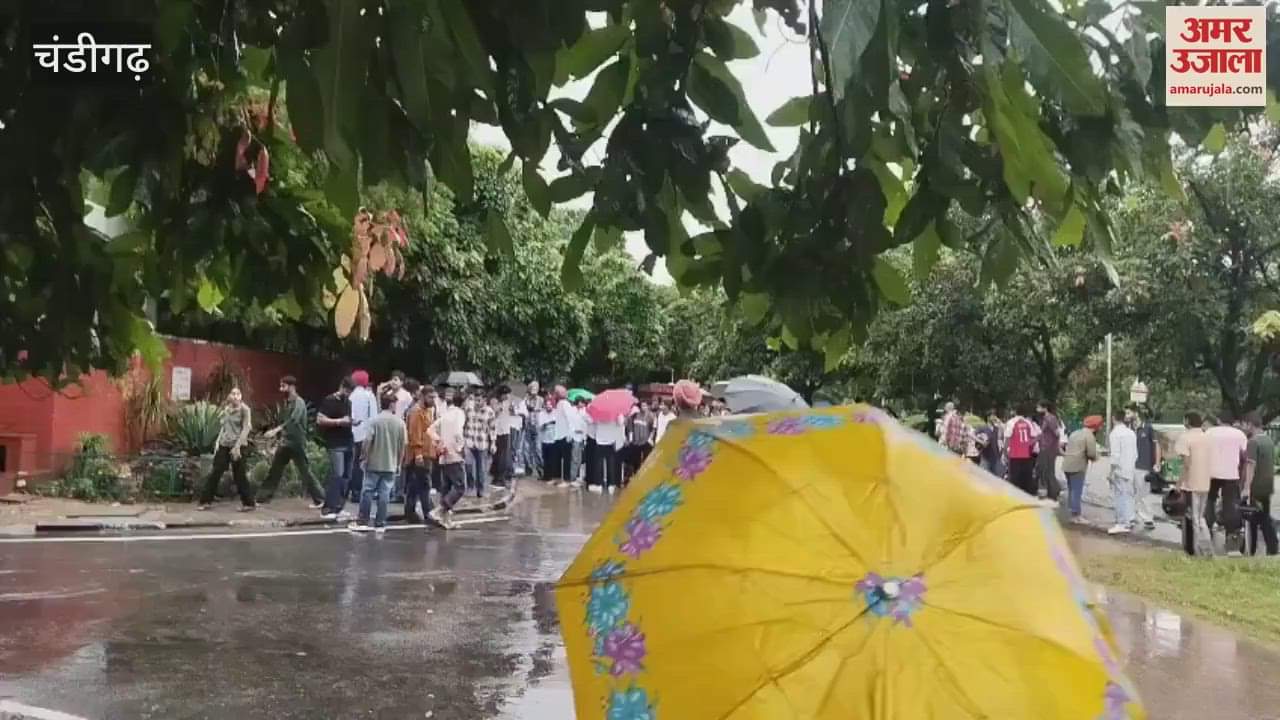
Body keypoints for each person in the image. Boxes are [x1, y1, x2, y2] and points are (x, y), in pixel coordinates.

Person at [256, 376, 325, 506]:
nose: (281, 389)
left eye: (283, 386)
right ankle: (262, 498)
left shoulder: (299, 402)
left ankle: (320, 499)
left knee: (305, 471)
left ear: (292, 387)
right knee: (275, 470)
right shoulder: (288, 402)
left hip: (297, 443)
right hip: (286, 442)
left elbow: (294, 419)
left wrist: (276, 430)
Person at [348, 392, 407, 533]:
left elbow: (367, 441)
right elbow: (402, 446)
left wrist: (364, 457)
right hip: (391, 463)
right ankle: (380, 522)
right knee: (385, 493)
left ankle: (363, 520)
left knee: (367, 491)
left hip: (374, 462)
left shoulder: (374, 421)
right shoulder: (400, 423)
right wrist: (399, 463)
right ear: (392, 405)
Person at [197, 387, 255, 511]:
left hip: (238, 446)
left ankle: (248, 503)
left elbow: (246, 429)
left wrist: (237, 447)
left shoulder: (245, 410)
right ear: (230, 396)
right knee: (215, 472)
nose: (235, 396)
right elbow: (224, 427)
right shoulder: (227, 409)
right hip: (224, 444)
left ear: (241, 396)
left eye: (238, 394)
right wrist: (218, 442)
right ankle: (205, 501)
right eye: (233, 393)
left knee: (239, 475)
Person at [1205, 412, 1248, 555]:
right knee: (1230, 505)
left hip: (1211, 472)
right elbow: (1244, 457)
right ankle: (1232, 536)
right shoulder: (1240, 435)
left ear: (1218, 420)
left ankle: (1208, 528)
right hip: (1231, 473)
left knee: (1209, 501)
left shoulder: (1209, 433)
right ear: (1232, 421)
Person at [427, 388, 468, 529]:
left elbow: (430, 430)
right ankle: (438, 511)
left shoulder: (445, 414)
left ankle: (446, 520)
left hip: (444, 455)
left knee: (447, 487)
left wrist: (439, 442)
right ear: (463, 402)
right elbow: (458, 432)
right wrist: (460, 447)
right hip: (454, 455)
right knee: (460, 487)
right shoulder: (459, 414)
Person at [1175, 412, 1214, 556]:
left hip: (1191, 483)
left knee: (1193, 519)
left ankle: (1195, 550)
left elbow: (1186, 464)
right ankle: (1207, 547)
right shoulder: (1207, 437)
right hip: (1205, 482)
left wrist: (1179, 484)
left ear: (1187, 421)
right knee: (1201, 517)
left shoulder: (1185, 438)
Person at [317, 377, 355, 519]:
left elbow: (347, 418)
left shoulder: (348, 402)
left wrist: (351, 422)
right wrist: (339, 421)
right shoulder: (329, 400)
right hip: (335, 443)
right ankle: (328, 507)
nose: (348, 394)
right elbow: (320, 419)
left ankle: (339, 506)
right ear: (341, 386)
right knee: (337, 475)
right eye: (347, 390)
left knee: (347, 476)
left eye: (350, 392)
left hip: (348, 441)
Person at [1242, 412, 1278, 555]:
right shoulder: (1269, 441)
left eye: (1245, 424)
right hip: (1267, 486)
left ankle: (1267, 546)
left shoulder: (1253, 442)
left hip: (1256, 487)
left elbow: (1251, 466)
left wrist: (1246, 487)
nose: (1244, 427)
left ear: (1250, 424)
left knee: (1258, 519)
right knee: (1262, 516)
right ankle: (1266, 547)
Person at [403, 384, 438, 526]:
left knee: (414, 485)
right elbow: (414, 435)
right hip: (420, 455)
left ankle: (410, 512)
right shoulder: (416, 412)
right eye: (430, 397)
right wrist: (418, 454)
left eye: (434, 397)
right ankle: (428, 513)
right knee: (424, 484)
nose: (433, 400)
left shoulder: (428, 411)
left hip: (427, 452)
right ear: (423, 396)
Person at [1061, 415, 1101, 524]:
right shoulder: (1089, 436)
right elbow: (1091, 453)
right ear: (1096, 426)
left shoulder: (1075, 433)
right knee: (1077, 491)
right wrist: (1097, 457)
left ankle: (1072, 511)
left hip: (1067, 465)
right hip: (1077, 466)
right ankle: (1076, 516)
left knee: (1071, 489)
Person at [1107, 409, 1138, 535]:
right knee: (1128, 495)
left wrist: (1111, 472)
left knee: (1120, 496)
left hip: (1120, 470)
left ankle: (1122, 523)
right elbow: (1135, 453)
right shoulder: (1131, 433)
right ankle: (1130, 518)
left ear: (1114, 418)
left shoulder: (1115, 434)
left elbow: (1115, 456)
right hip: (1130, 468)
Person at [348, 370, 377, 503]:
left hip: (350, 433)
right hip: (365, 435)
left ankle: (349, 491)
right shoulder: (369, 395)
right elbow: (374, 417)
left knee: (350, 464)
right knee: (362, 464)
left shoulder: (350, 396)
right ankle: (359, 492)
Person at [1128, 405, 1159, 529]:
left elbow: (1157, 446)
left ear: (1136, 413)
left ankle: (1148, 518)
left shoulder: (1148, 428)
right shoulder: (1128, 429)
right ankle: (1131, 516)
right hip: (1129, 465)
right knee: (1130, 492)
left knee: (1144, 492)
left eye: (1129, 412)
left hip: (1143, 465)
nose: (1127, 416)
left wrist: (1156, 463)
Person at [463, 389, 498, 498]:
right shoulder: (468, 408)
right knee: (468, 466)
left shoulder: (489, 411)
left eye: (479, 400)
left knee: (481, 468)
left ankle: (481, 490)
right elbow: (463, 422)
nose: (477, 403)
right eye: (475, 400)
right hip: (468, 441)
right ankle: (470, 487)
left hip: (482, 442)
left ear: (484, 400)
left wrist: (493, 443)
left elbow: (493, 428)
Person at [1004, 403, 1041, 496]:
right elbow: (1036, 436)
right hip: (1026, 455)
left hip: (1015, 455)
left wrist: (1005, 451)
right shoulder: (1028, 423)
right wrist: (1027, 444)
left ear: (1015, 412)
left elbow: (1007, 438)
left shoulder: (1011, 422)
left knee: (1014, 479)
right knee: (1027, 479)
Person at [1035, 401, 1063, 504]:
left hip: (1048, 448)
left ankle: (1054, 492)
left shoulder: (1050, 418)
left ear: (1045, 408)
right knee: (1045, 470)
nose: (1037, 410)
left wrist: (1055, 445)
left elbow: (1056, 433)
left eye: (1038, 408)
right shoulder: (1047, 418)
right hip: (1046, 447)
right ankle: (1053, 491)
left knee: (1048, 470)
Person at [624, 402, 655, 482]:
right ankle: (634, 476)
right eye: (642, 406)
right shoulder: (634, 416)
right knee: (635, 461)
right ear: (640, 407)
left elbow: (653, 429)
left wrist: (650, 439)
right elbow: (630, 428)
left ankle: (644, 478)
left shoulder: (650, 416)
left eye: (645, 405)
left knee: (645, 461)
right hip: (635, 442)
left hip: (645, 442)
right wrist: (630, 439)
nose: (644, 407)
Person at [491, 386, 514, 488]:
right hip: (497, 431)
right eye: (506, 394)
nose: (507, 396)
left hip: (506, 430)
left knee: (505, 455)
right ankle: (498, 477)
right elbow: (493, 413)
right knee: (499, 455)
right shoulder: (494, 401)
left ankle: (505, 475)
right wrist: (500, 406)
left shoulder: (508, 402)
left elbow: (512, 413)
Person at [553, 386, 576, 482]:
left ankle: (566, 479)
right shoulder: (558, 404)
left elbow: (570, 419)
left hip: (566, 435)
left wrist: (570, 434)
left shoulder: (566, 404)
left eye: (556, 393)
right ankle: (559, 478)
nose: (554, 395)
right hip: (559, 434)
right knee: (559, 458)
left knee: (566, 459)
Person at [522, 382, 542, 478]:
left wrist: (533, 408)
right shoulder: (525, 400)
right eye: (532, 389)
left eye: (535, 389)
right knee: (526, 449)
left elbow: (540, 410)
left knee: (538, 449)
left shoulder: (540, 400)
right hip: (527, 426)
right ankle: (528, 468)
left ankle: (540, 469)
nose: (533, 391)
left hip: (537, 427)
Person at [537, 393, 557, 483]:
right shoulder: (541, 414)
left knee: (552, 459)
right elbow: (540, 426)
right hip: (544, 439)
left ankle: (552, 476)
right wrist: (547, 424)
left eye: (550, 404)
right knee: (545, 458)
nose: (548, 406)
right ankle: (545, 476)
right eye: (547, 404)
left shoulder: (556, 413)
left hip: (553, 439)